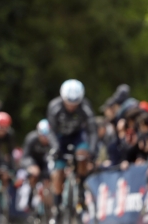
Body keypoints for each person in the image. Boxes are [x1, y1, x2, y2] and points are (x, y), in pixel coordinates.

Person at [47, 79, 97, 215]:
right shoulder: (54, 106)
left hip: (77, 137)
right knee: (58, 172)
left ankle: (80, 187)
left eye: (75, 104)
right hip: (60, 139)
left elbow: (92, 131)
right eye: (68, 103)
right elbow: (50, 131)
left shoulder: (86, 106)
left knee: (83, 154)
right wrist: (55, 147)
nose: (71, 107)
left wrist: (91, 150)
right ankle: (57, 206)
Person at [20, 119, 56, 209]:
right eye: (42, 136)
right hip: (32, 161)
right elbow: (25, 156)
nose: (45, 138)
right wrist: (30, 166)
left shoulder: (52, 140)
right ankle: (30, 197)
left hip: (45, 162)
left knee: (50, 178)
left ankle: (49, 205)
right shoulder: (31, 138)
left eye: (47, 136)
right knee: (34, 174)